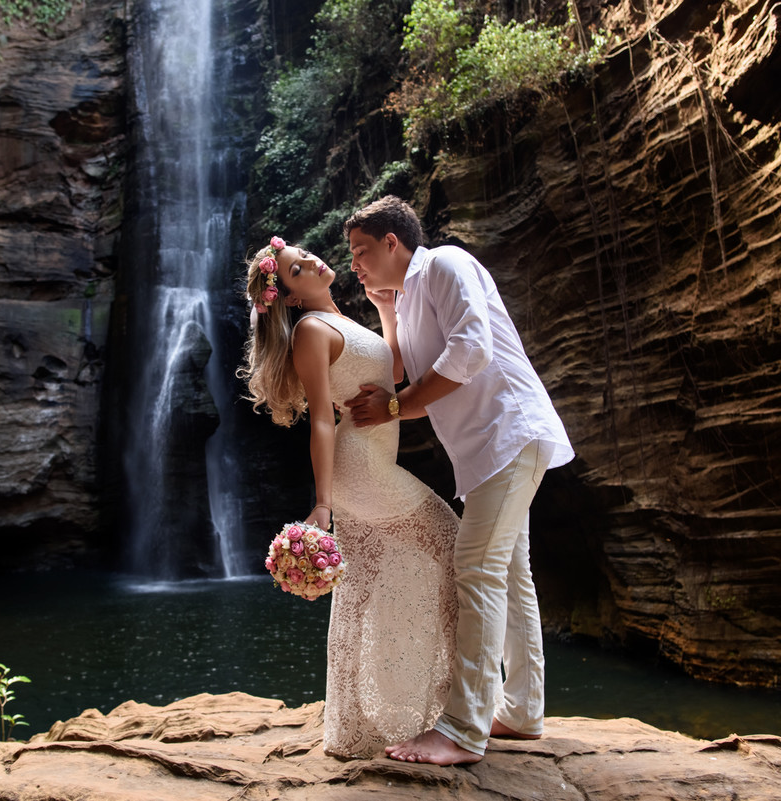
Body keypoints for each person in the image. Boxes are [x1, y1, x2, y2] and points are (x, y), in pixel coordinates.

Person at [342, 196, 574, 766]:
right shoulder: (407, 297)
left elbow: (471, 349)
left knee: (476, 567)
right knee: (509, 574)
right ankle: (522, 711)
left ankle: (463, 730)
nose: (354, 264)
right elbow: (397, 372)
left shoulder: (445, 263)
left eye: (362, 251)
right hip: (485, 452)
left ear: (392, 242)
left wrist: (394, 408)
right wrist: (387, 310)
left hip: (509, 434)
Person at [238, 236, 460, 758]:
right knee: (454, 544)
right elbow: (321, 417)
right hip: (360, 468)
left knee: (361, 588)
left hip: (370, 463)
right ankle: (452, 709)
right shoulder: (311, 330)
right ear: (292, 297)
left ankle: (357, 729)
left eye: (302, 254)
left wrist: (385, 311)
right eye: (296, 269)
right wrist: (323, 503)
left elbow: (393, 374)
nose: (310, 260)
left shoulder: (342, 321)